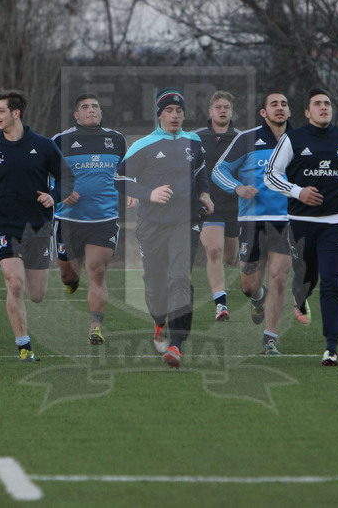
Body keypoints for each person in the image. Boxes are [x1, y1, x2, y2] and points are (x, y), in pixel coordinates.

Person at [0, 90, 74, 362]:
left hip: (38, 226)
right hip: (5, 225)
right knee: (14, 284)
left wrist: (54, 196)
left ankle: (23, 316)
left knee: (35, 294)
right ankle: (24, 345)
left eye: (0, 111)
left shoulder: (44, 146)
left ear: (16, 113)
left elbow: (67, 178)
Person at [114, 87, 213, 369]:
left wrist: (204, 193)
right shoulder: (143, 145)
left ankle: (176, 344)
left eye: (179, 111)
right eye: (169, 111)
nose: (174, 115)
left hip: (186, 221)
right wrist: (149, 193)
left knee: (179, 278)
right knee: (156, 289)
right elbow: (119, 178)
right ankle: (159, 322)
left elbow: (200, 170)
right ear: (159, 115)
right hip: (152, 224)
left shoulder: (193, 142)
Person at [265, 87, 338, 366]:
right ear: (307, 112)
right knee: (306, 280)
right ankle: (301, 298)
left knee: (333, 282)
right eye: (317, 104)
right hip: (301, 222)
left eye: (327, 103)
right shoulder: (293, 138)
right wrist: (298, 192)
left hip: (335, 221)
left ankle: (331, 347)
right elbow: (271, 175)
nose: (324, 107)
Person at [212, 92, 293, 355]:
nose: (279, 108)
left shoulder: (300, 141)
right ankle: (258, 298)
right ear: (263, 112)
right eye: (274, 104)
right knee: (249, 286)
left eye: (284, 104)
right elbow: (218, 170)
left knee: (279, 276)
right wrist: (238, 188)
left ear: (290, 111)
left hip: (285, 222)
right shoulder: (247, 139)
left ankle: (269, 339)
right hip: (251, 222)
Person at [52, 93, 127, 345]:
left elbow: (125, 174)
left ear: (101, 113)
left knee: (96, 271)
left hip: (104, 219)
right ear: (76, 114)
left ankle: (95, 327)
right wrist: (63, 192)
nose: (91, 110)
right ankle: (71, 282)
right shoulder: (61, 140)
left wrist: (135, 193)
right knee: (68, 276)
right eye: (85, 107)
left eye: (95, 106)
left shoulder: (116, 140)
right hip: (68, 219)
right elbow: (46, 175)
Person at [194, 91, 240, 322]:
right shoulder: (196, 138)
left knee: (230, 258)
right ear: (210, 111)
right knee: (213, 251)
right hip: (209, 207)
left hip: (236, 207)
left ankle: (256, 292)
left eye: (227, 107)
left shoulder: (242, 138)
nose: (223, 110)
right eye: (218, 107)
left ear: (232, 112)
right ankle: (220, 305)